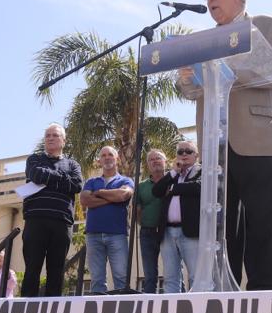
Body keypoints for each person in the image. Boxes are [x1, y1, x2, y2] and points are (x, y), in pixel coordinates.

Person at [187, 0, 272, 290]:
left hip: (256, 136)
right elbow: (190, 91)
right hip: (214, 144)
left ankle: (266, 295)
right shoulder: (203, 41)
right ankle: (221, 293)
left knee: (262, 224)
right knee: (221, 227)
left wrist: (229, 72)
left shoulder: (264, 25)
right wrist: (187, 77)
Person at [20, 123, 83, 297]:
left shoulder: (73, 164)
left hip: (62, 222)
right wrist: (62, 178)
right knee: (32, 267)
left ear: (64, 141)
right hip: (36, 219)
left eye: (55, 135)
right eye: (47, 135)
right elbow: (36, 175)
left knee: (56, 270)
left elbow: (76, 185)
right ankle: (26, 306)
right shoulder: (34, 159)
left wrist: (48, 177)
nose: (50, 138)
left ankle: (53, 307)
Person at [80, 145, 134, 294]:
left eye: (110, 154)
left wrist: (99, 192)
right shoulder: (91, 181)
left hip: (117, 234)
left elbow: (123, 195)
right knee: (97, 280)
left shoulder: (126, 180)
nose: (107, 158)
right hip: (93, 235)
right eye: (103, 155)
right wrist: (112, 198)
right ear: (99, 161)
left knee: (121, 278)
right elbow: (85, 200)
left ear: (117, 159)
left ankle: (122, 306)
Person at [153, 141, 202, 293]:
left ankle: (197, 306)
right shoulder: (172, 175)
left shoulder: (201, 171)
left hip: (190, 231)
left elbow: (198, 187)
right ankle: (172, 306)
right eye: (180, 152)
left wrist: (173, 188)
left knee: (195, 275)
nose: (184, 154)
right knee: (170, 277)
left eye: (188, 151)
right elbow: (157, 190)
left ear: (196, 155)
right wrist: (173, 172)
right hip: (167, 232)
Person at [135, 149, 168, 294]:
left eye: (158, 158)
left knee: (173, 271)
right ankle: (149, 302)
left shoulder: (173, 181)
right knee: (149, 275)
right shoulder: (141, 186)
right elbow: (137, 210)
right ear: (148, 165)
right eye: (151, 159)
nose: (155, 161)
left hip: (169, 232)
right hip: (147, 233)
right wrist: (146, 224)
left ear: (165, 161)